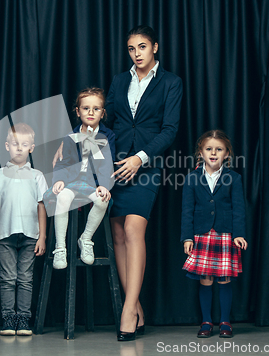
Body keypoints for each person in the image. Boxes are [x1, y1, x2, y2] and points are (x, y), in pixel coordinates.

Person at [106, 25, 183, 341]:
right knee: (118, 234)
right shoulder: (120, 80)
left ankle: (127, 311)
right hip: (114, 164)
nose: (136, 53)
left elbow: (169, 130)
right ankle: (136, 306)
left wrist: (140, 158)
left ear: (155, 48)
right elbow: (107, 119)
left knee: (135, 229)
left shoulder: (170, 82)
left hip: (146, 165)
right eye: (130, 48)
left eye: (141, 47)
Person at [180, 130, 248, 339]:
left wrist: (239, 234)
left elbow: (239, 208)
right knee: (206, 280)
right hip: (201, 235)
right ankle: (207, 321)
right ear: (200, 152)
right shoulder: (191, 178)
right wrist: (187, 237)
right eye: (209, 149)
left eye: (219, 149)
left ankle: (225, 321)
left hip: (225, 235)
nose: (213, 153)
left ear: (227, 154)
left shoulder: (233, 178)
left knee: (224, 281)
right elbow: (187, 210)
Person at [0, 123, 48, 336]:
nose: (19, 148)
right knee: (8, 278)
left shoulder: (37, 175)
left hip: (31, 235)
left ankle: (23, 319)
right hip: (5, 235)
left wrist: (43, 236)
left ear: (32, 147)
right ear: (7, 146)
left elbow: (42, 206)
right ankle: (9, 319)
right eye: (15, 144)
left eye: (24, 144)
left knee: (26, 278)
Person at [44, 87, 115, 269]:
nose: (90, 112)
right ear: (77, 111)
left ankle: (86, 238)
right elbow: (63, 162)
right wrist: (59, 180)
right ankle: (60, 247)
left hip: (92, 183)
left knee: (102, 200)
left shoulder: (107, 136)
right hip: (70, 181)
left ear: (103, 113)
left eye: (96, 109)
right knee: (63, 197)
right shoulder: (70, 137)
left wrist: (103, 185)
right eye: (85, 108)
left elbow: (107, 164)